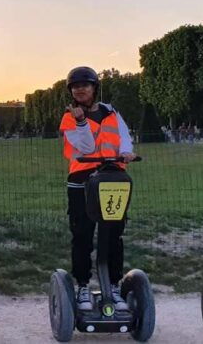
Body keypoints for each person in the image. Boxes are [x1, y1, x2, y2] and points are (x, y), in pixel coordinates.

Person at [59, 66, 136, 312]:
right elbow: (86, 146)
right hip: (81, 180)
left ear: (94, 88)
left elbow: (124, 137)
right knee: (82, 234)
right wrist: (82, 121)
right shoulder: (69, 117)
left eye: (86, 85)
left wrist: (126, 151)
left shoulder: (112, 113)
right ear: (72, 91)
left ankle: (113, 284)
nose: (81, 89)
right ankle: (83, 284)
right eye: (76, 86)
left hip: (113, 177)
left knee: (113, 234)